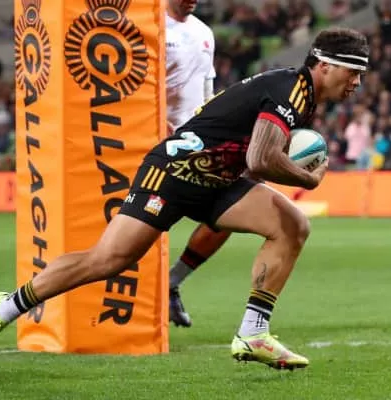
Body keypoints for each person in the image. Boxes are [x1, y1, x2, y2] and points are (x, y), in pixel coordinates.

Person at [0, 27, 369, 370]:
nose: (357, 83)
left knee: (293, 226)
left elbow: (253, 162)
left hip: (216, 179)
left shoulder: (300, 95)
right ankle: (5, 308)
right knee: (108, 260)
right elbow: (260, 159)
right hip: (174, 172)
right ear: (324, 65)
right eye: (353, 72)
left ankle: (253, 333)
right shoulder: (290, 91)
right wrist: (307, 178)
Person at [164, 0, 230, 328]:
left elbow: (206, 93)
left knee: (231, 211)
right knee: (140, 229)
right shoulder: (152, 27)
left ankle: (170, 283)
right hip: (154, 146)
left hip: (195, 147)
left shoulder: (204, 32)